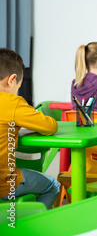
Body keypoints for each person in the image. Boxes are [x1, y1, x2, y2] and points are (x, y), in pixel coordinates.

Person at [0, 48, 60, 209]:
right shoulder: (12, 102)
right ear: (11, 80)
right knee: (53, 186)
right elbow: (50, 126)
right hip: (4, 184)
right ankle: (33, 224)